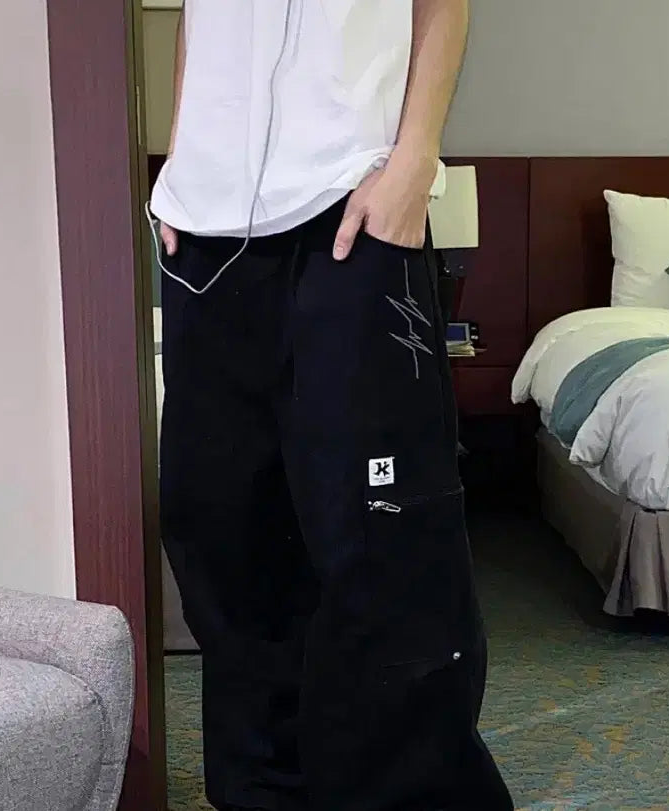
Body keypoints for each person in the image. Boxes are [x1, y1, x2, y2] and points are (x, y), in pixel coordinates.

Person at [150, 2, 513, 810]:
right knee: (220, 526)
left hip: (350, 210)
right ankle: (262, 789)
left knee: (381, 531)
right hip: (205, 227)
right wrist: (181, 157)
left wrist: (413, 162)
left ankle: (413, 796)